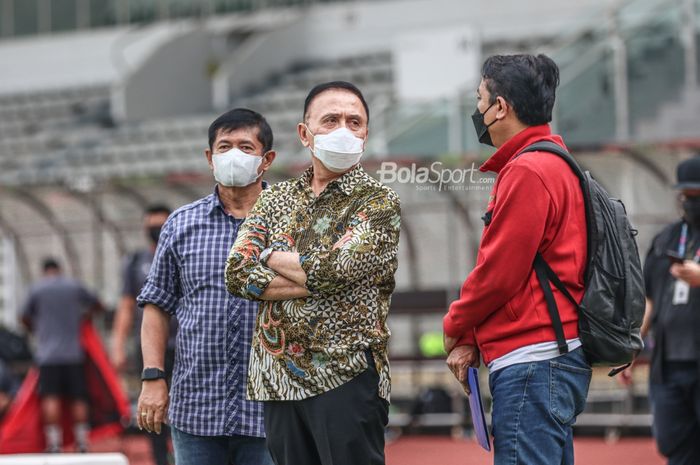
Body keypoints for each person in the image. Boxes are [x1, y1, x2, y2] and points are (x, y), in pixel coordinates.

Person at [226, 81, 401, 465]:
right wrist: (313, 277)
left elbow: (336, 269)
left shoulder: (378, 203)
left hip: (345, 375)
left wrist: (270, 255)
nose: (344, 130)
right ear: (305, 134)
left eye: (354, 122)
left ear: (366, 134)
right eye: (331, 120)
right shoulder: (274, 197)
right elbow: (237, 273)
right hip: (277, 380)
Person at [442, 54, 591, 465]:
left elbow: (498, 274)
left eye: (480, 100)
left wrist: (455, 324)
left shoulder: (529, 170)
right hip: (549, 358)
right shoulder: (555, 163)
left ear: (501, 107)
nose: (477, 111)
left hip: (533, 361)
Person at [135, 108, 275, 465]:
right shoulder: (181, 224)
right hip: (196, 409)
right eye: (224, 146)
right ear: (209, 158)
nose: (234, 155)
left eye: (246, 147)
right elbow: (156, 305)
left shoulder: (292, 221)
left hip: (272, 410)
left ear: (266, 160)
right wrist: (153, 376)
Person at [642, 155, 700, 465]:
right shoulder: (665, 239)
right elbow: (649, 299)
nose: (691, 203)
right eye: (686, 196)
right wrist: (632, 344)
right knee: (674, 445)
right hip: (668, 364)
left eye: (698, 196)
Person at [110, 204, 175, 465]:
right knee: (153, 405)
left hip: (185, 346)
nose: (156, 230)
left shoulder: (183, 254)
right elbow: (126, 306)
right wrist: (117, 345)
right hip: (150, 348)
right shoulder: (136, 262)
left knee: (185, 403)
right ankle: (160, 458)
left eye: (161, 225)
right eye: (152, 226)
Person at [20, 258, 102, 453]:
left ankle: (54, 444)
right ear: (59, 269)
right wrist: (84, 318)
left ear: (44, 271)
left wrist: (36, 328)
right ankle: (82, 442)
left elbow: (23, 317)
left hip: (47, 356)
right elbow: (98, 305)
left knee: (51, 397)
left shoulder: (36, 290)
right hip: (74, 354)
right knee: (78, 397)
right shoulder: (73, 286)